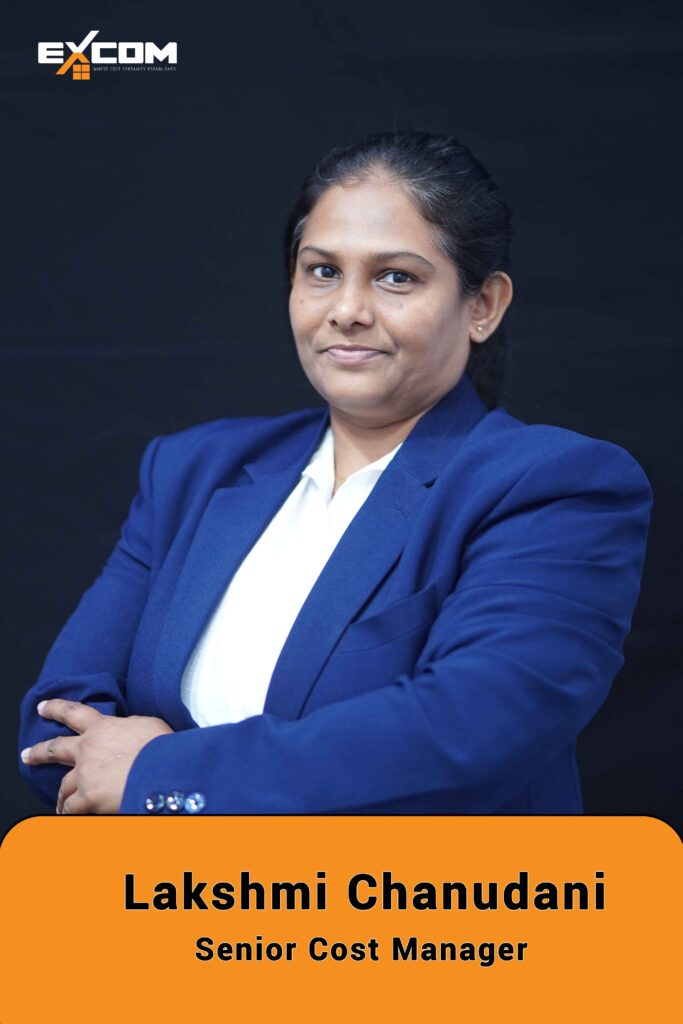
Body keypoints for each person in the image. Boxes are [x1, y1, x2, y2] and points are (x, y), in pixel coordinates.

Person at [18, 130, 653, 816]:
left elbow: (471, 733)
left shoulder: (552, 486)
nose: (347, 311)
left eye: (396, 277)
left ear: (482, 306)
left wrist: (163, 778)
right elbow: (54, 728)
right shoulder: (192, 471)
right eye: (322, 271)